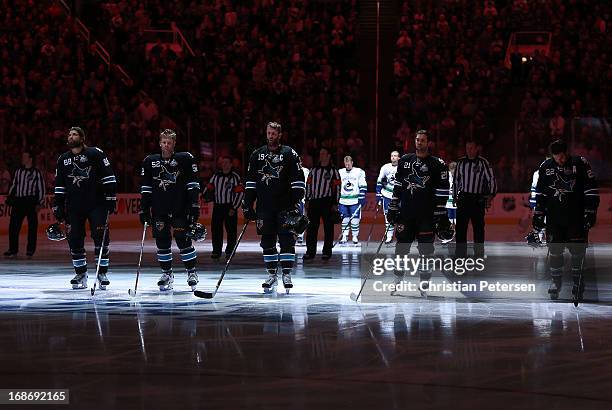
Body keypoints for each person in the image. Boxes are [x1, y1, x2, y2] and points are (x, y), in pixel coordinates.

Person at [533, 139, 600, 301]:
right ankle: (556, 282)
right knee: (555, 250)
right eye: (556, 157)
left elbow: (591, 189)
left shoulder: (580, 163)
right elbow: (540, 193)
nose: (560, 160)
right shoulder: (546, 166)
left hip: (576, 217)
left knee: (577, 252)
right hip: (555, 219)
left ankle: (578, 282)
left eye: (562, 156)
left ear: (567, 153)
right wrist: (538, 214)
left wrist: (590, 212)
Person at [242, 122, 305, 291]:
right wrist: (247, 204)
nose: (270, 136)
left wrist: (295, 202)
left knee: (286, 240)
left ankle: (286, 274)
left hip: (285, 207)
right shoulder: (257, 155)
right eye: (268, 133)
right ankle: (271, 275)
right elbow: (250, 182)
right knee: (267, 242)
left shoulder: (289, 153)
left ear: (280, 135)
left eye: (274, 133)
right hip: (265, 207)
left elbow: (299, 181)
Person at [53, 127, 117, 289]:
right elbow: (60, 185)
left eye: (74, 134)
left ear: (82, 138)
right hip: (74, 206)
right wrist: (58, 205)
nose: (71, 136)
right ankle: (81, 273)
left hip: (97, 204)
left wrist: (111, 198)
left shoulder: (95, 154)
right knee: (74, 238)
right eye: (69, 134)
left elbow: (109, 177)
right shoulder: (63, 159)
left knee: (100, 235)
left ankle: (101, 273)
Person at [387, 130, 450, 293]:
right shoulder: (405, 161)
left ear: (428, 143)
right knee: (401, 248)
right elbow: (398, 186)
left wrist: (441, 213)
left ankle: (424, 282)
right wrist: (393, 206)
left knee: (426, 250)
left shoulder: (437, 164)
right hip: (406, 214)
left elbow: (443, 190)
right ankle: (397, 279)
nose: (419, 142)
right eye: (417, 140)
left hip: (426, 216)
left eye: (422, 140)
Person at [139, 129, 201, 291]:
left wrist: (194, 205)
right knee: (162, 242)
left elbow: (193, 185)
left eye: (169, 143)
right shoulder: (150, 161)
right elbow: (146, 188)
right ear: (160, 143)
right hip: (159, 209)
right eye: (164, 142)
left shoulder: (184, 159)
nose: (166, 145)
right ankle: (167, 273)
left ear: (174, 144)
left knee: (183, 239)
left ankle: (191, 272)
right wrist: (144, 209)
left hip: (180, 208)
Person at [452, 141, 497, 258]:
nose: (469, 150)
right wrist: (454, 196)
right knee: (461, 228)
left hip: (477, 199)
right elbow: (456, 180)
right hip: (463, 198)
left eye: (472, 148)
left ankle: (479, 254)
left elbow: (491, 179)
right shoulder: (461, 162)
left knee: (479, 229)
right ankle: (460, 255)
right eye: (467, 148)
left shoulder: (483, 162)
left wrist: (491, 195)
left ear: (477, 148)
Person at [4, 151, 46, 258]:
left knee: (32, 227)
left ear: (30, 159)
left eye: (24, 156)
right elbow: (14, 185)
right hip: (19, 201)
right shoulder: (19, 171)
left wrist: (40, 203)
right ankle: (13, 250)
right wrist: (9, 197)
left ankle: (30, 250)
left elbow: (41, 188)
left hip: (30, 202)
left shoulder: (36, 172)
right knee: (13, 227)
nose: (22, 158)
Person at [303, 147, 341, 260]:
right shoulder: (313, 170)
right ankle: (310, 251)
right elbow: (308, 185)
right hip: (314, 202)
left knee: (328, 228)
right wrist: (307, 200)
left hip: (327, 202)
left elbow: (338, 188)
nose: (321, 155)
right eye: (320, 153)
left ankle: (327, 252)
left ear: (329, 155)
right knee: (311, 228)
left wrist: (335, 203)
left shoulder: (334, 171)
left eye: (323, 153)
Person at [205, 156, 243, 260]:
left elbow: (239, 194)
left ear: (231, 164)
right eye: (223, 163)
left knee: (231, 230)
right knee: (216, 229)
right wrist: (205, 196)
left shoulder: (235, 177)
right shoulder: (216, 176)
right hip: (218, 206)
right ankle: (216, 251)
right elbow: (209, 186)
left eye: (227, 162)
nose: (225, 164)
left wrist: (234, 207)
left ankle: (230, 251)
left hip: (229, 206)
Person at [338, 155, 367, 245]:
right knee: (345, 219)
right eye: (346, 163)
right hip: (343, 200)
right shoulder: (340, 172)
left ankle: (355, 236)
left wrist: (361, 197)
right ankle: (345, 236)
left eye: (349, 163)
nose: (347, 165)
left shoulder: (359, 172)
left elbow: (363, 185)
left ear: (352, 163)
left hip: (354, 200)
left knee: (355, 219)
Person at [376, 151, 400, 244]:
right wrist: (378, 195)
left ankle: (400, 236)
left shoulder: (402, 167)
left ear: (398, 158)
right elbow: (379, 180)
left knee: (400, 216)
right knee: (387, 216)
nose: (393, 157)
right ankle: (389, 237)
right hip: (387, 195)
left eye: (395, 156)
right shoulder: (385, 167)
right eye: (392, 156)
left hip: (398, 196)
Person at [296, 158, 309, 246]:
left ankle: (300, 235)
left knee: (302, 217)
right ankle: (290, 235)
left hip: (303, 198)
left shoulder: (306, 171)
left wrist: (307, 197)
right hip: (293, 198)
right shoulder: (291, 169)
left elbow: (308, 184)